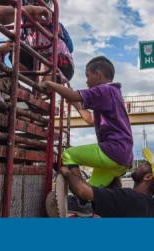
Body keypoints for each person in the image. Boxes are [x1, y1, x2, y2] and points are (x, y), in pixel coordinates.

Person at [41, 55, 132, 187]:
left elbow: (73, 94)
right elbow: (90, 120)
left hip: (112, 150)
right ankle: (89, 201)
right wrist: (76, 104)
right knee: (95, 192)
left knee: (68, 155)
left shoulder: (104, 90)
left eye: (87, 76)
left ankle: (81, 194)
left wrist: (49, 84)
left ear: (97, 74)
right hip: (124, 156)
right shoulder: (114, 93)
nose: (86, 81)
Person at [59, 157, 154, 217]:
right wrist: (115, 174)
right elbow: (118, 202)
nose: (140, 165)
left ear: (148, 177)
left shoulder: (129, 198)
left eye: (145, 165)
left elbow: (83, 192)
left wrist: (68, 173)